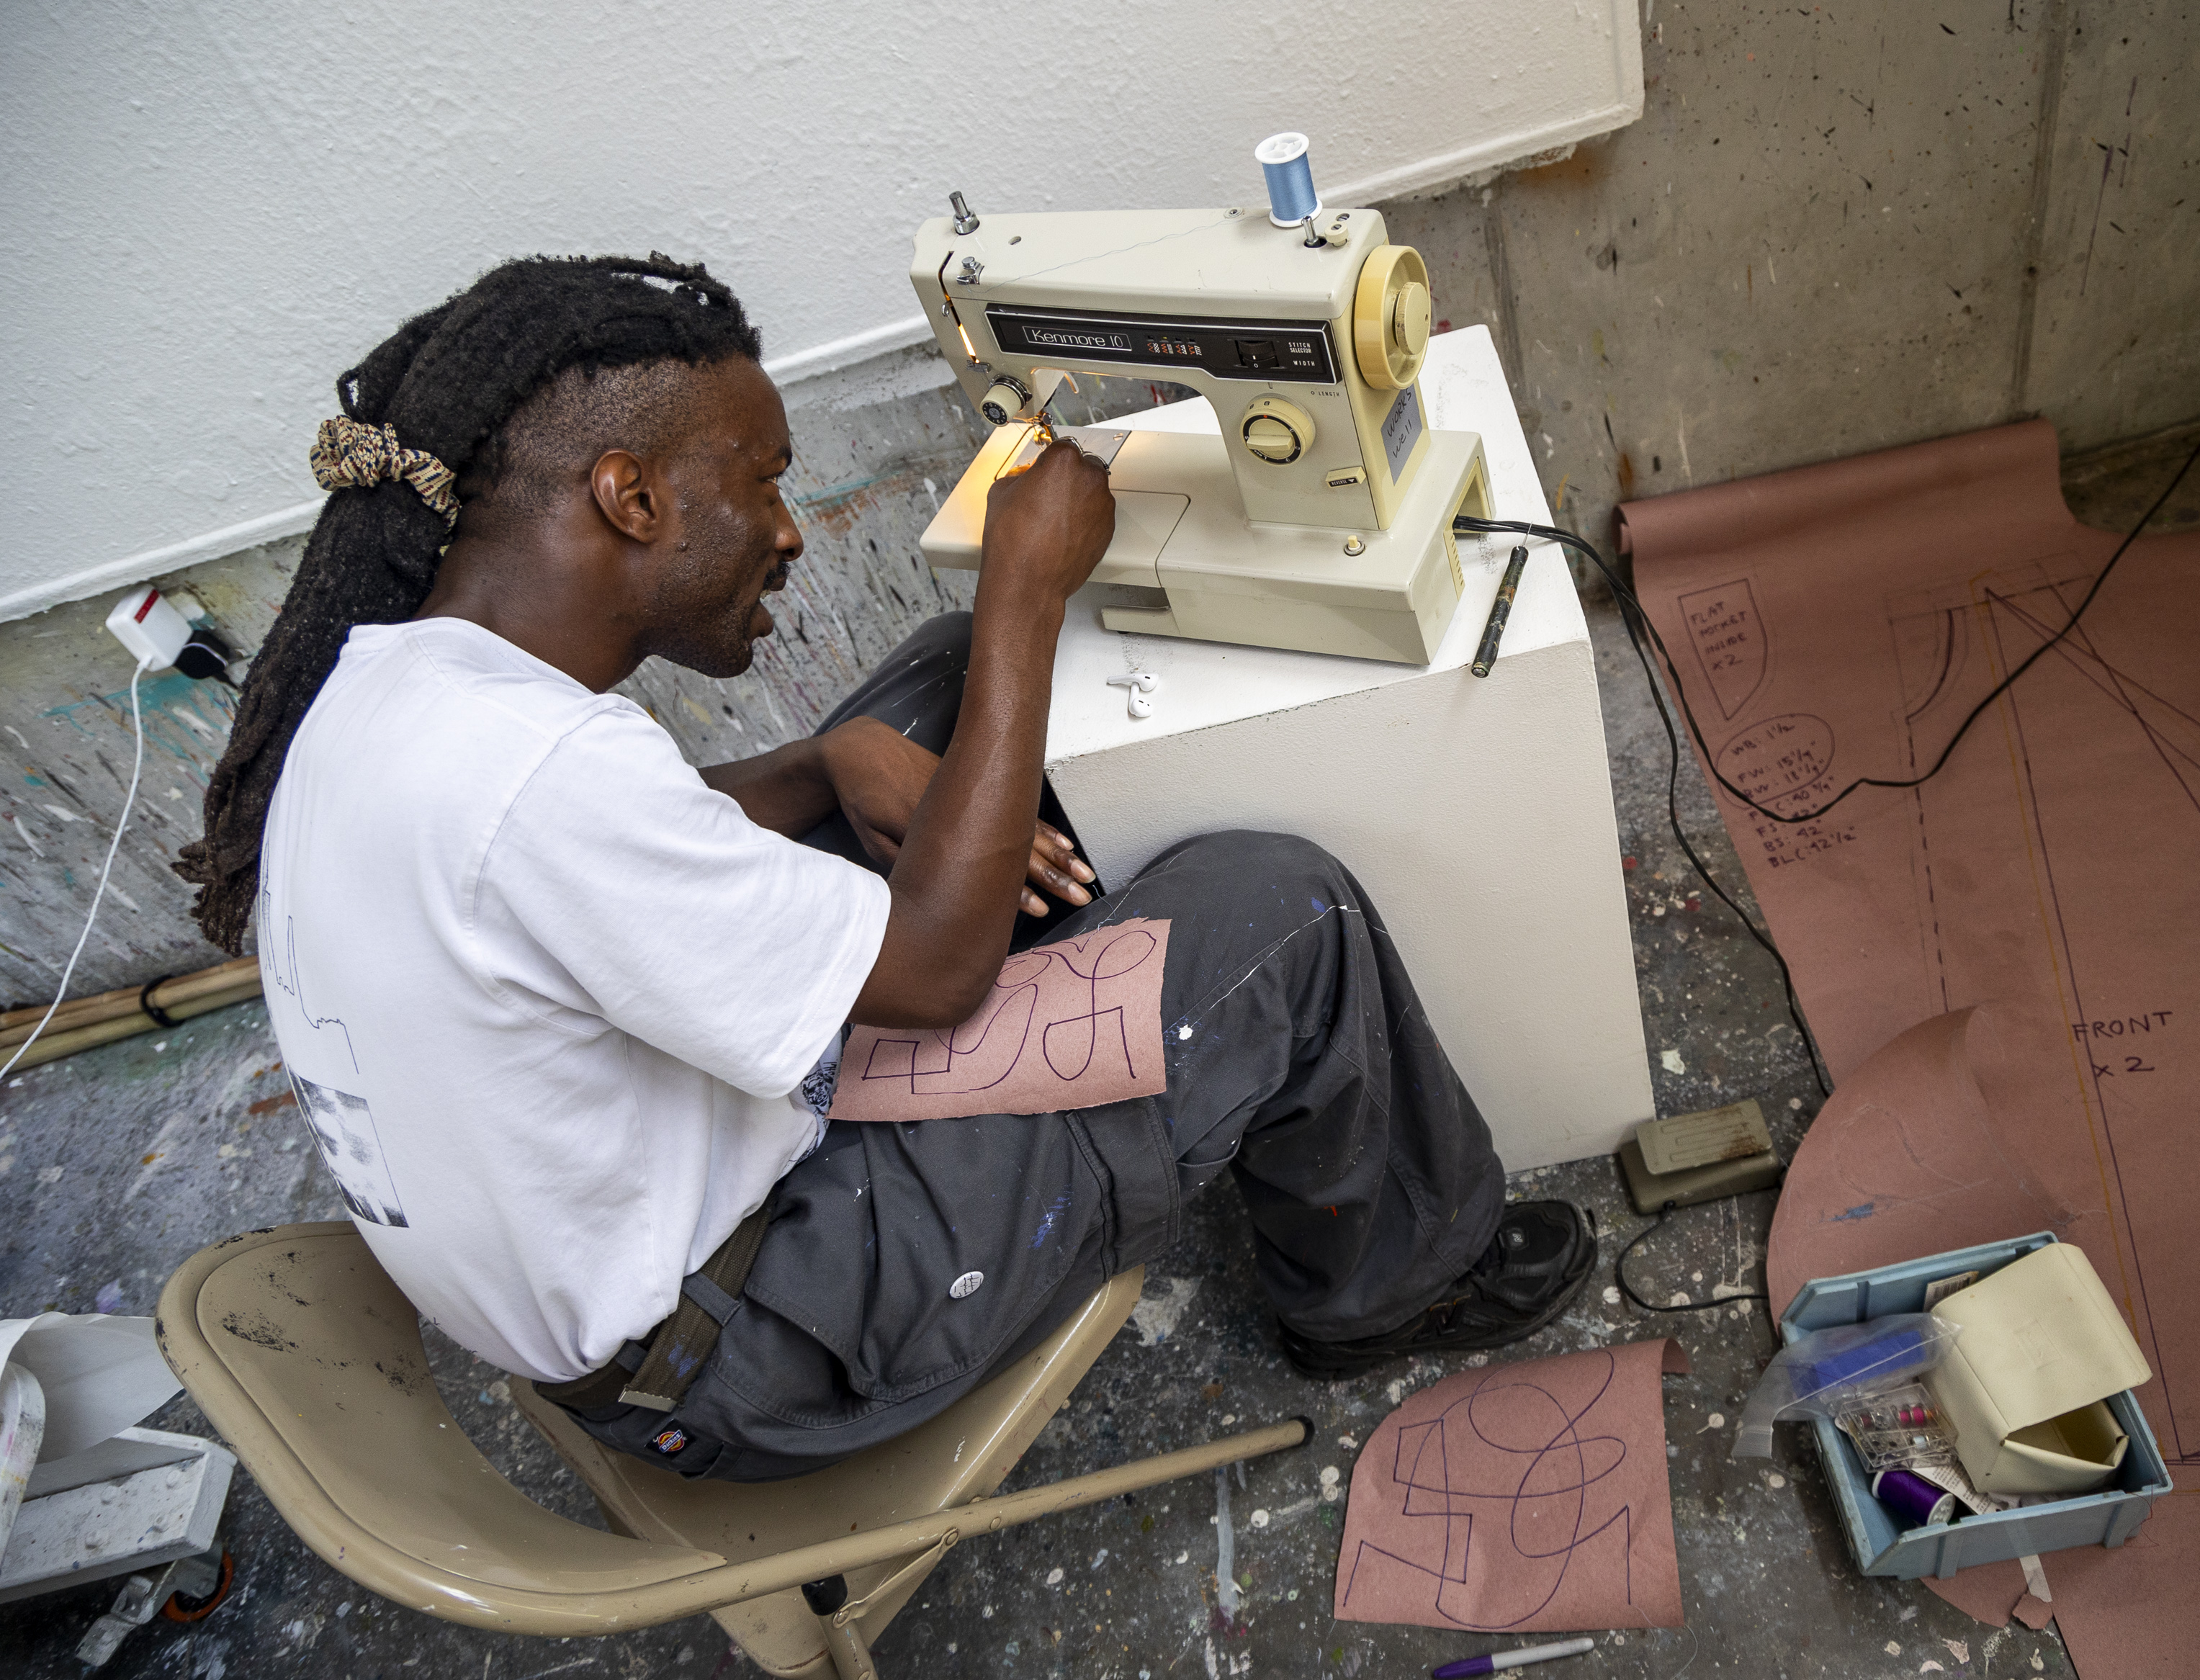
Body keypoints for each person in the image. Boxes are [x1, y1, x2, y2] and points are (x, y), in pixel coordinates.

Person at [179, 255, 1594, 1481]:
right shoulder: (546, 775)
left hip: (649, 1230)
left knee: (929, 687)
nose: (792, 529)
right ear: (628, 496)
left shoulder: (391, 696)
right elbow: (929, 973)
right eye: (763, 483)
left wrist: (819, 764)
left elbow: (584, 868)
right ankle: (1387, 1291)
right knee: (1287, 919)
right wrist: (1025, 597)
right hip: (758, 1344)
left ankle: (1060, 922)